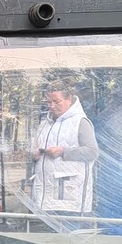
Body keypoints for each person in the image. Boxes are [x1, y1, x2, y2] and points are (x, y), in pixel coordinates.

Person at [28, 79, 99, 218]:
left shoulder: (81, 122)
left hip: (70, 198)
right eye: (49, 102)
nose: (52, 106)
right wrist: (34, 154)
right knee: (50, 238)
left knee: (70, 236)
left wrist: (63, 151)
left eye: (57, 102)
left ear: (69, 100)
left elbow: (92, 152)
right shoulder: (44, 124)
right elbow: (35, 148)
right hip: (45, 196)